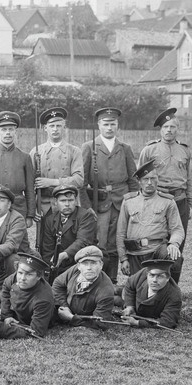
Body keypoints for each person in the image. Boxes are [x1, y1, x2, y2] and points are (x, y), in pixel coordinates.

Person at [79, 107, 138, 284]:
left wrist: (133, 204)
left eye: (113, 124)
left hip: (122, 202)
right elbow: (81, 183)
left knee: (116, 243)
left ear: (117, 125)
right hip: (99, 202)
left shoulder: (125, 148)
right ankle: (98, 281)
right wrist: (87, 208)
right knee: (100, 242)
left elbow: (133, 179)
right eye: (106, 124)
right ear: (99, 125)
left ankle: (112, 281)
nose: (110, 128)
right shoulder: (89, 147)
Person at [136, 108, 192, 283]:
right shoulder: (150, 150)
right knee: (156, 242)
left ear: (177, 129)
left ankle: (172, 284)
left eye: (172, 127)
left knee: (178, 243)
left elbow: (189, 178)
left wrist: (191, 203)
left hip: (179, 200)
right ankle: (150, 282)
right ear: (160, 130)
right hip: (158, 200)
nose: (169, 130)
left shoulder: (184, 150)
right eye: (165, 127)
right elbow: (140, 177)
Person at [117, 159, 185, 279]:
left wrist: (173, 244)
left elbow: (177, 229)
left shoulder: (167, 201)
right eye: (145, 179)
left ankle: (171, 290)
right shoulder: (128, 201)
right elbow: (120, 233)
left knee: (176, 258)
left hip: (157, 250)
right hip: (135, 253)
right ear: (139, 181)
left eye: (153, 178)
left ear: (158, 179)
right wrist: (123, 259)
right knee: (140, 290)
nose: (149, 182)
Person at [28, 107, 84, 218]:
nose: (55, 129)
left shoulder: (74, 151)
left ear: (64, 127)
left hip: (67, 205)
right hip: (44, 206)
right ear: (45, 128)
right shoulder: (36, 152)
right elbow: (29, 184)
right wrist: (32, 208)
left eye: (58, 126)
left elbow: (79, 180)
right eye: (51, 126)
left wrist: (52, 182)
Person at [39, 184, 98, 281]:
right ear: (55, 202)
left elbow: (82, 242)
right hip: (59, 265)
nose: (67, 204)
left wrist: (63, 255)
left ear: (76, 201)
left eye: (70, 200)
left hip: (82, 262)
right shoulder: (50, 220)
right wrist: (49, 268)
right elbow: (47, 249)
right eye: (63, 201)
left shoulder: (86, 216)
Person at [0, 252, 55, 339]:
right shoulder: (13, 279)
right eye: (20, 273)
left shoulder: (43, 298)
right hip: (16, 310)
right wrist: (6, 316)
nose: (22, 278)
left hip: (30, 318)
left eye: (29, 274)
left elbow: (35, 333)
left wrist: (1, 328)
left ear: (39, 276)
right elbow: (6, 288)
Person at [52, 245, 115, 328]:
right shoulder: (75, 270)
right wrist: (64, 306)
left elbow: (100, 323)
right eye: (85, 263)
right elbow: (57, 284)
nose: (89, 268)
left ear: (101, 265)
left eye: (93, 263)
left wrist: (71, 318)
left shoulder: (106, 290)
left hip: (83, 316)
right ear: (79, 266)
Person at [120, 259, 182, 330]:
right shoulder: (142, 274)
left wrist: (137, 322)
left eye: (160, 276)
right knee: (112, 293)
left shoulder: (174, 294)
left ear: (167, 278)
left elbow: (168, 322)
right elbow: (129, 284)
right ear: (147, 275)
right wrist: (130, 306)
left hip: (142, 309)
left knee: (115, 298)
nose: (154, 280)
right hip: (133, 298)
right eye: (152, 275)